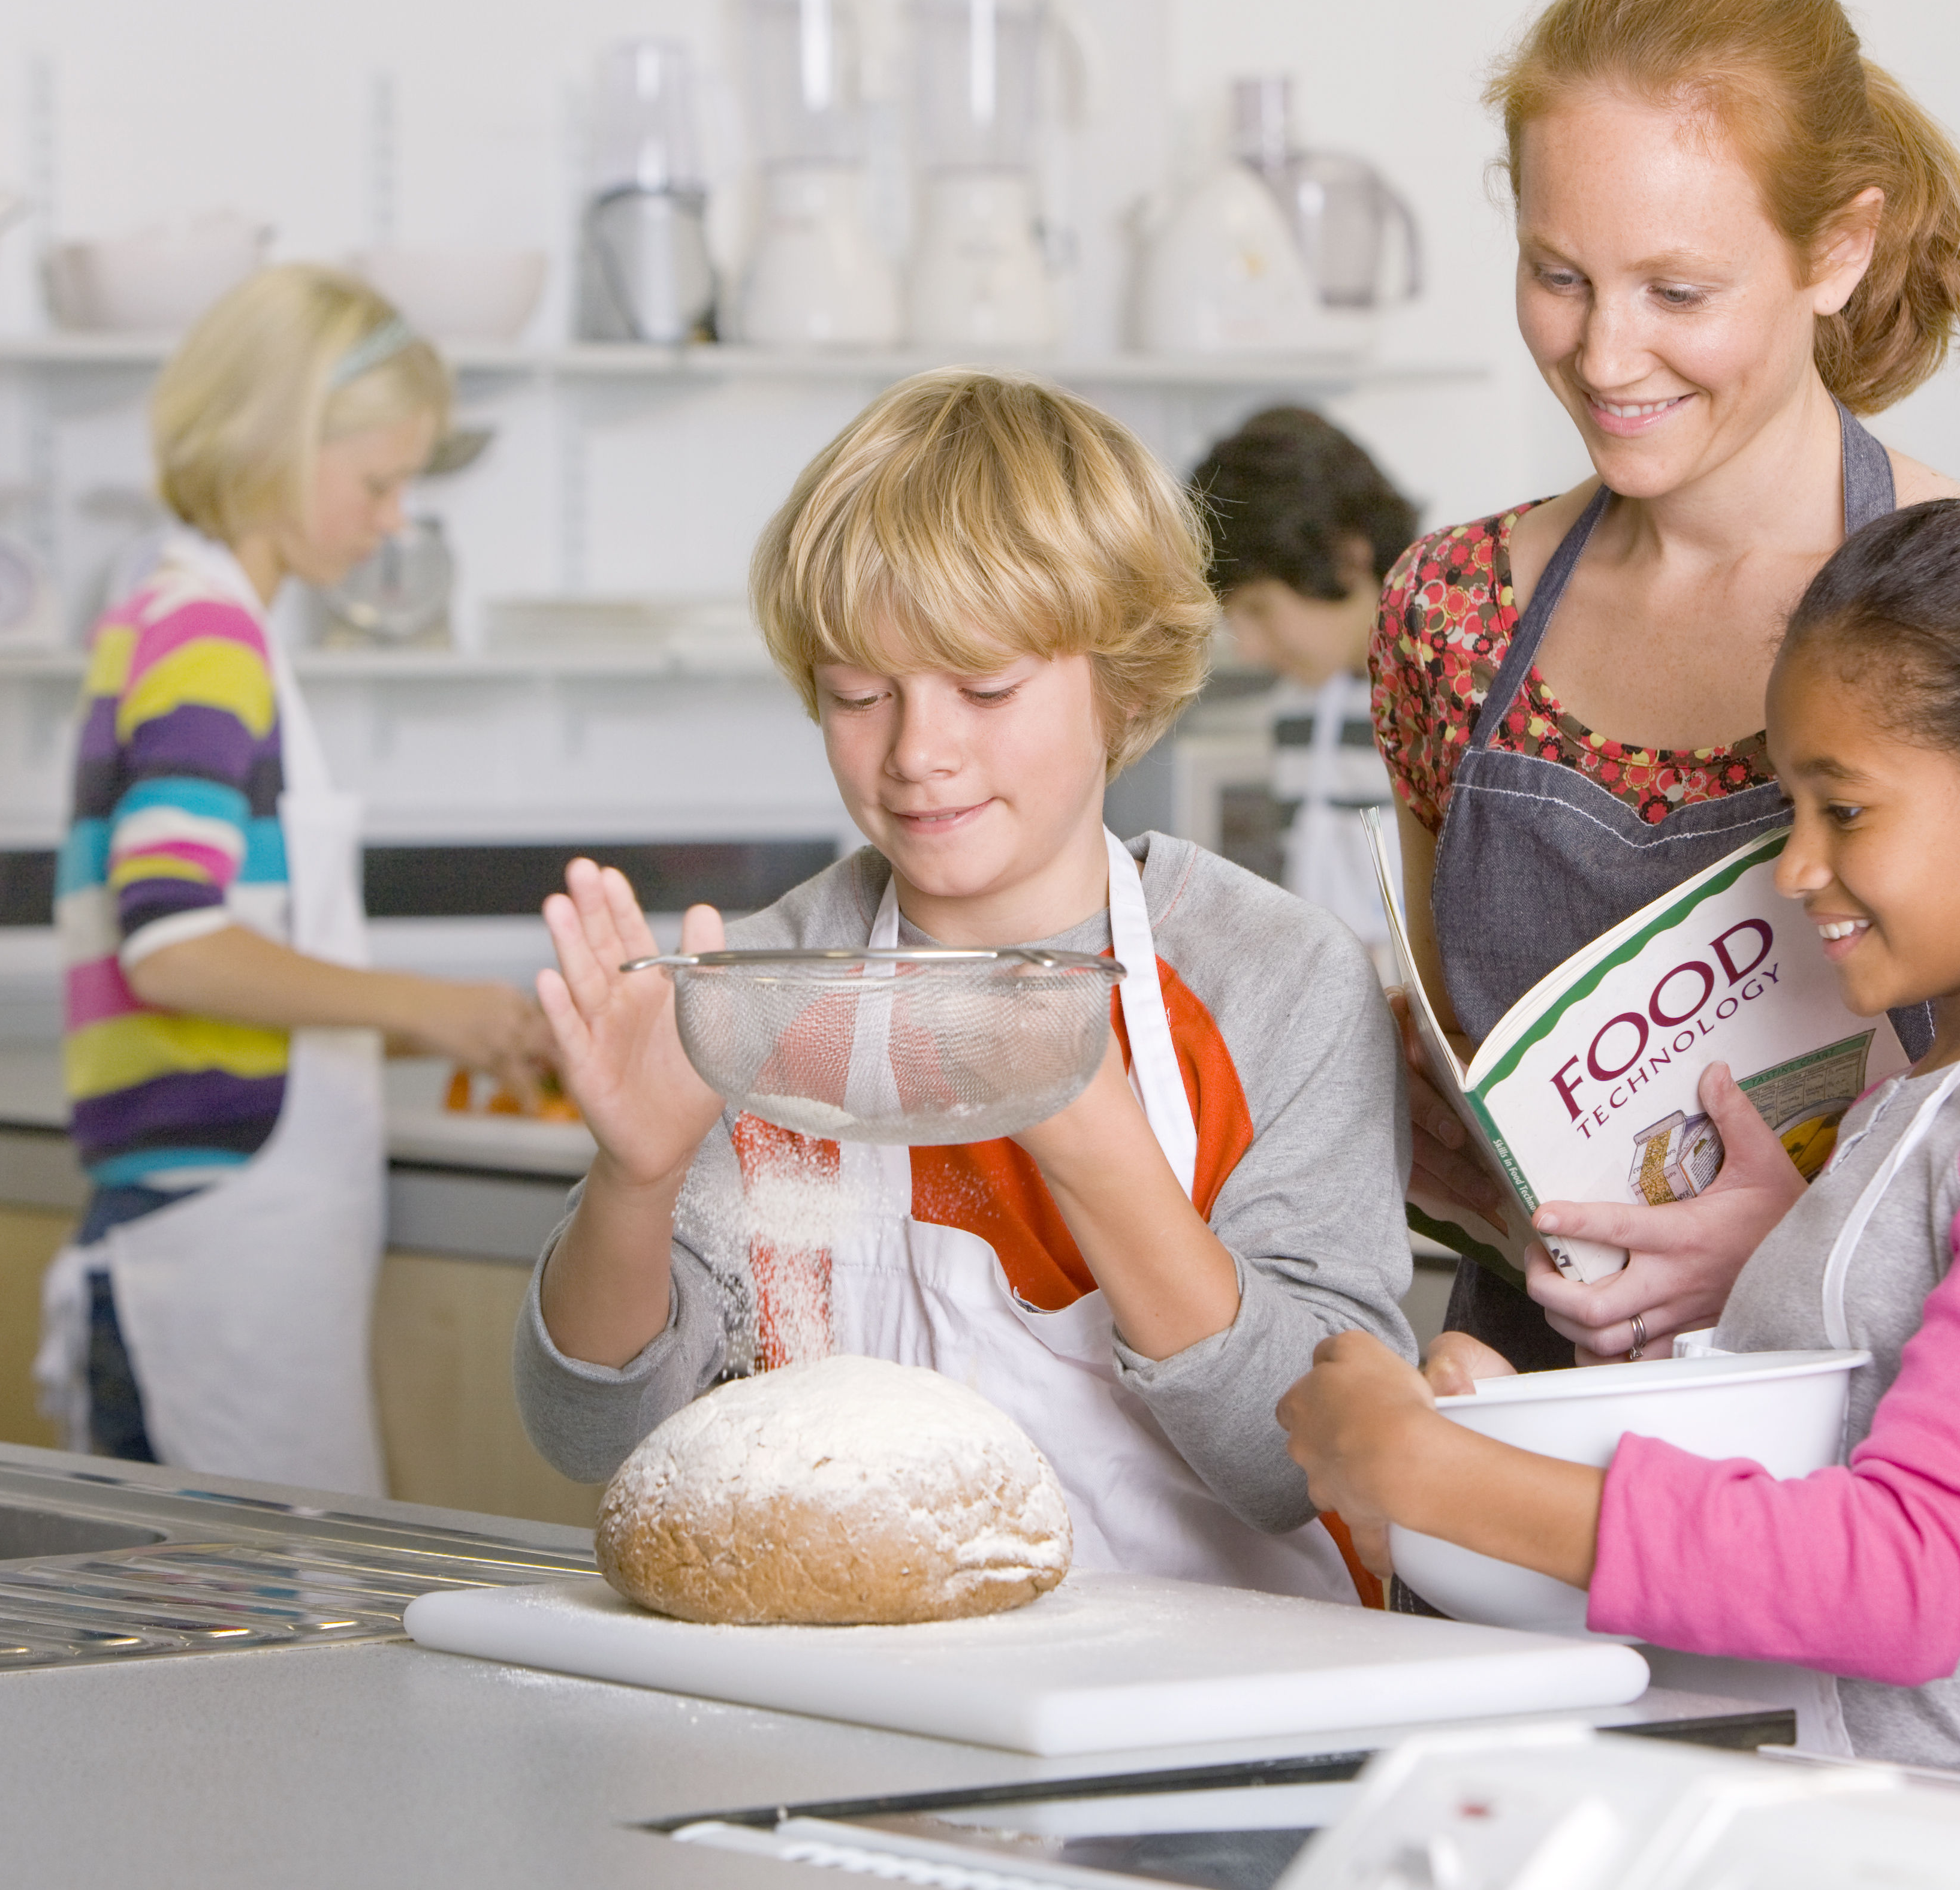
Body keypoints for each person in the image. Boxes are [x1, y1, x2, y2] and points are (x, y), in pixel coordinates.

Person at [1284, 492, 1960, 1790]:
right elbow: (1814, 1439)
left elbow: (1915, 1572)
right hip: (1789, 1799)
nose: (1797, 866)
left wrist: (1442, 1472)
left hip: (1932, 1832)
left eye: (1844, 811)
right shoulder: (1935, 1088)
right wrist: (1530, 1421)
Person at [1373, 0, 1960, 1383]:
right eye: (1559, 276)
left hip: (1878, 1456)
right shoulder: (1453, 614)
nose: (1606, 356)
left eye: (1677, 293)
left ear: (1836, 249)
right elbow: (1477, 1076)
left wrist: (1811, 1244)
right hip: (1516, 1439)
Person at [514, 368, 1413, 1603]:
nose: (917, 753)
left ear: (1124, 679)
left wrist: (1095, 1146)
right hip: (869, 1692)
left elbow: (1300, 1463)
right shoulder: (776, 981)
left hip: (1218, 1704)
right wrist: (635, 1173)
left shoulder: (1274, 978)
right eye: (857, 693)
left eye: (984, 687)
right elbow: (590, 1439)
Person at [38, 264, 556, 1494]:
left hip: (205, 1234)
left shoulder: (181, 619)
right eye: (380, 481)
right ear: (276, 446)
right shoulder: (206, 641)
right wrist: (445, 1010)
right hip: (210, 1252)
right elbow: (173, 942)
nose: (394, 519)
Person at [1191, 405, 1420, 961]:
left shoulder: (1450, 691)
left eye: (1260, 609)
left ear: (1346, 556)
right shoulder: (1296, 712)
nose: (1248, 648)